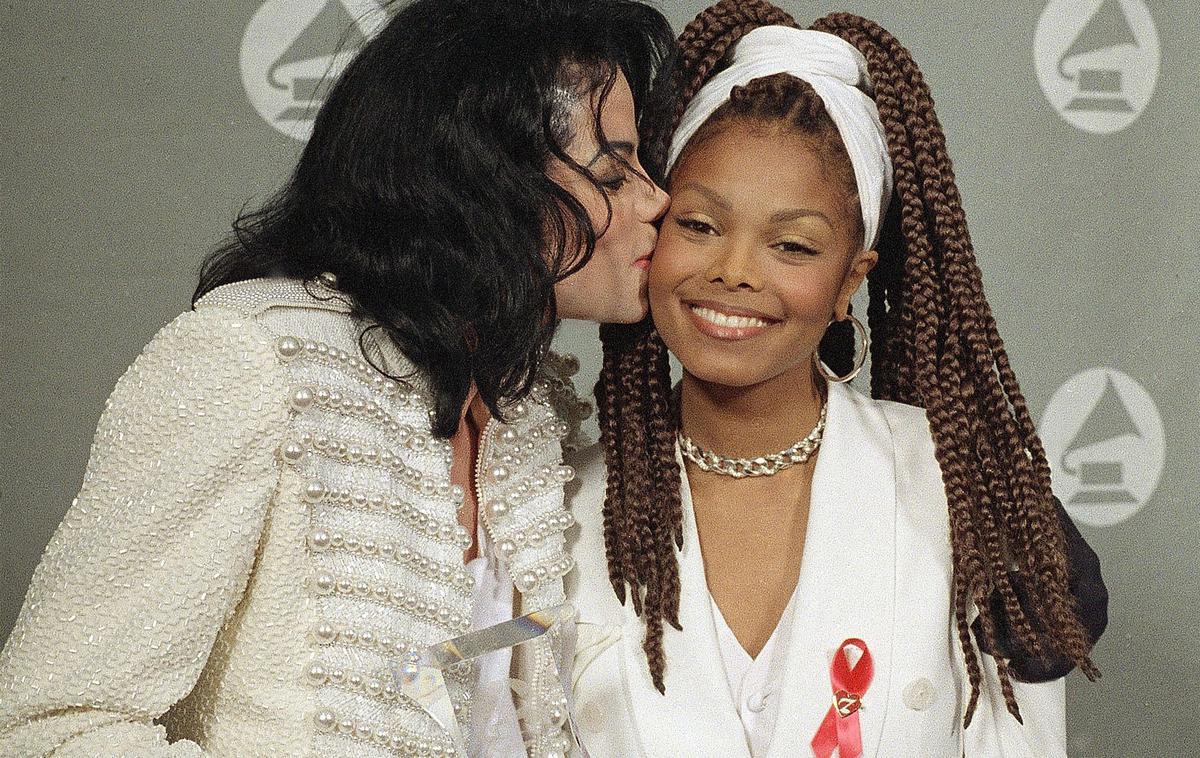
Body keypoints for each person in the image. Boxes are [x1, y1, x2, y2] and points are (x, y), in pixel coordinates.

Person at [0, 1, 670, 756]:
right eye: (613, 170)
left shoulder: (529, 410)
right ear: (485, 178)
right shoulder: (252, 360)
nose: (656, 199)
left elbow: (476, 708)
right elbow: (52, 728)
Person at [564, 1, 1105, 755]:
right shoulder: (551, 512)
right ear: (654, 228)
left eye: (791, 244)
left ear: (852, 279)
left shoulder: (961, 493)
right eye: (699, 225)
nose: (733, 271)